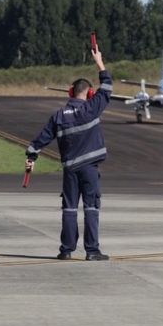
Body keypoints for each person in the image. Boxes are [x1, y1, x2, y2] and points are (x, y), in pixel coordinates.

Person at [25, 44, 112, 260]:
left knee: (69, 209)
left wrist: (31, 156)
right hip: (89, 169)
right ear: (89, 93)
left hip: (70, 170)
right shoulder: (91, 108)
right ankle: (92, 251)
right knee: (91, 207)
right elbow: (108, 85)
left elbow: (41, 139)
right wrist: (99, 61)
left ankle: (66, 250)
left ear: (70, 92)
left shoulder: (59, 115)